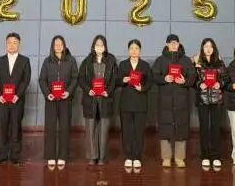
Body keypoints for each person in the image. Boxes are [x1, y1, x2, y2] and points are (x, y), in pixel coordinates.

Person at [152, 33, 196, 168]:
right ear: (166, 44)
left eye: (176, 42)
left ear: (179, 44)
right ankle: (166, 157)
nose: (173, 45)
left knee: (181, 129)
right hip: (164, 102)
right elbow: (154, 76)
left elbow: (193, 77)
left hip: (181, 101)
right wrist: (164, 79)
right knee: (165, 129)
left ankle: (179, 158)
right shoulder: (160, 60)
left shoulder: (186, 60)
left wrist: (185, 81)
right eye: (171, 43)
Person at [0, 32, 31, 165]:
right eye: (9, 43)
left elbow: (26, 80)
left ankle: (15, 156)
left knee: (15, 128)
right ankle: (2, 154)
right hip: (2, 101)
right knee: (3, 127)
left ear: (19, 44)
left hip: (17, 101)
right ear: (6, 44)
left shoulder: (25, 61)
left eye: (14, 43)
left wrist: (17, 95)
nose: (12, 45)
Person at [39, 35, 78, 168]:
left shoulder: (71, 60)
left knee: (64, 127)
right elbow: (42, 79)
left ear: (64, 45)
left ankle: (62, 156)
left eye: (61, 44)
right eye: (56, 44)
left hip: (65, 99)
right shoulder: (47, 61)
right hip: (51, 99)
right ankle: (50, 156)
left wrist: (68, 92)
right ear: (52, 46)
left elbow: (75, 78)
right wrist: (47, 94)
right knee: (50, 127)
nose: (58, 46)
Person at [78, 34, 117, 166]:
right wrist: (88, 89)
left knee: (104, 129)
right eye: (97, 45)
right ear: (93, 46)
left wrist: (108, 91)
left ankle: (102, 157)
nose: (99, 47)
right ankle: (92, 156)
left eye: (102, 45)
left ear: (105, 47)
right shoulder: (87, 61)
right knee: (90, 128)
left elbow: (114, 80)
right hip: (91, 99)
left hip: (105, 99)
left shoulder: (111, 61)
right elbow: (80, 79)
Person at [193, 38, 229, 169]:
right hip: (202, 100)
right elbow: (192, 79)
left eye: (211, 46)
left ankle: (216, 156)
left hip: (216, 99)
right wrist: (199, 84)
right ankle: (205, 156)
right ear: (202, 48)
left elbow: (226, 78)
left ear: (214, 49)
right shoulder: (197, 63)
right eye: (206, 46)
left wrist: (220, 83)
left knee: (215, 128)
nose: (208, 49)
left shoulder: (219, 63)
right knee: (204, 129)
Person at [116, 39, 152, 169]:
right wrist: (123, 80)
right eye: (131, 48)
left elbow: (150, 82)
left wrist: (142, 88)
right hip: (126, 103)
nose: (134, 51)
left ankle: (137, 156)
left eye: (136, 48)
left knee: (139, 131)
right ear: (128, 50)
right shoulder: (123, 64)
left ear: (140, 50)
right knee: (127, 131)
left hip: (140, 102)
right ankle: (128, 156)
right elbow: (117, 81)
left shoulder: (145, 65)